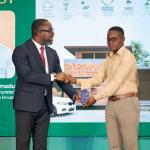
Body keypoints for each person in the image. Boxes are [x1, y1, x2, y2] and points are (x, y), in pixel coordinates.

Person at [69, 26, 140, 150]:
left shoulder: (128, 57)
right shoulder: (109, 58)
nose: (110, 42)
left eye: (114, 39)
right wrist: (76, 80)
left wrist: (95, 97)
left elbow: (116, 82)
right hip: (111, 104)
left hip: (127, 103)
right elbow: (97, 79)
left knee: (130, 145)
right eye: (108, 40)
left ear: (123, 39)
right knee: (113, 145)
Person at [12, 19, 79, 150]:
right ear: (38, 32)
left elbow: (60, 78)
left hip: (45, 106)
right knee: (22, 144)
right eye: (50, 31)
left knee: (41, 145)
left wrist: (74, 94)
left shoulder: (52, 53)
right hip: (25, 106)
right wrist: (53, 76)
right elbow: (27, 75)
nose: (53, 34)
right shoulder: (21, 50)